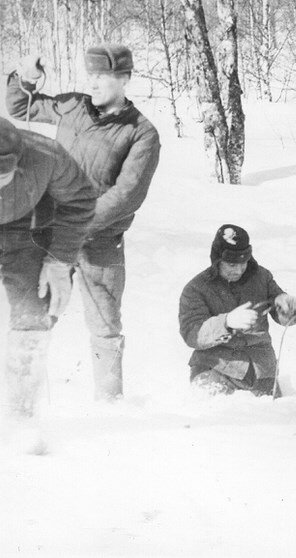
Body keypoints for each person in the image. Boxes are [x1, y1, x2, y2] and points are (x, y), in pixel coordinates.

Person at [6, 44, 161, 400]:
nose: (93, 83)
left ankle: (108, 405)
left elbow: (126, 195)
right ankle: (21, 407)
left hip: (101, 243)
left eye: (103, 76)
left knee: (105, 325)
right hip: (51, 237)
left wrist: (75, 224)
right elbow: (20, 107)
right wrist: (24, 78)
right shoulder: (72, 105)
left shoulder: (141, 133)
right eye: (91, 75)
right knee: (34, 316)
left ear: (125, 78)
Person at [0, 117, 96, 417]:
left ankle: (20, 415)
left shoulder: (46, 155)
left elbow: (80, 201)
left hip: (27, 232)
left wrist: (59, 260)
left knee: (33, 318)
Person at [179, 225, 296, 397]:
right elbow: (192, 334)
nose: (238, 270)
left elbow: (286, 316)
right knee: (213, 407)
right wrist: (226, 323)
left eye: (243, 263)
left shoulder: (261, 277)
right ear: (217, 260)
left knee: (275, 412)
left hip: (260, 372)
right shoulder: (196, 288)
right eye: (231, 264)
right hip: (215, 368)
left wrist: (288, 308)